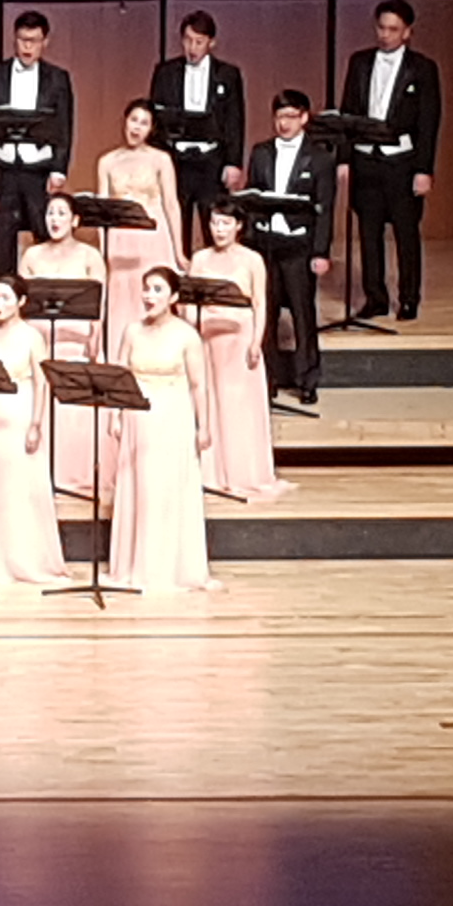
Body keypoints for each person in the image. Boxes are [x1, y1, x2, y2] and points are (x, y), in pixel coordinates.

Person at [101, 266, 218, 594]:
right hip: (137, 418)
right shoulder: (132, 332)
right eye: (146, 289)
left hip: (172, 418)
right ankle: (134, 566)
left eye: (157, 290)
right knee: (139, 488)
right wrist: (114, 415)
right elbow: (119, 376)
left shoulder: (186, 335)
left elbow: (199, 384)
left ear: (174, 297)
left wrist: (204, 426)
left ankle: (166, 567)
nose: (149, 296)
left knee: (164, 488)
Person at [228, 91, 337, 410]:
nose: (283, 123)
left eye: (290, 116)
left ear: (303, 117)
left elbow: (325, 209)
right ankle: (267, 378)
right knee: (267, 312)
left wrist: (320, 252)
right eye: (279, 117)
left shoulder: (320, 158)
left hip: (299, 246)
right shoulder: (261, 152)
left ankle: (307, 379)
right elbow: (252, 199)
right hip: (266, 244)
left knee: (303, 314)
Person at [336, 0, 443, 323]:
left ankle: (409, 298)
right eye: (381, 28)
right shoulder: (360, 62)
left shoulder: (422, 68)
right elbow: (348, 112)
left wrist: (424, 169)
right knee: (369, 232)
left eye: (393, 29)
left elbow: (429, 122)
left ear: (407, 32)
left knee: (406, 232)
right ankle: (375, 297)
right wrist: (344, 158)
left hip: (402, 162)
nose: (385, 35)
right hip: (366, 158)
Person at [0, 278, 66, 583]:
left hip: (16, 416)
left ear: (21, 302)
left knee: (16, 488)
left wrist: (36, 424)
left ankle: (21, 558)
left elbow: (42, 383)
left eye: (6, 298)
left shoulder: (32, 337)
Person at [188, 204, 289, 503]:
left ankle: (243, 473)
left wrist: (256, 341)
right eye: (214, 223)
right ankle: (212, 473)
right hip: (208, 337)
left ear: (238, 226)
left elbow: (259, 303)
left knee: (239, 406)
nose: (219, 229)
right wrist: (192, 334)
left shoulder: (252, 259)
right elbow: (190, 301)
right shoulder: (200, 258)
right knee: (211, 402)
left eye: (225, 223)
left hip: (239, 337)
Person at [16, 194, 112, 494]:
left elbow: (99, 304)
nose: (54, 220)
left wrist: (95, 338)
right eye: (50, 213)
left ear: (75, 220)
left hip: (76, 338)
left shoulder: (90, 256)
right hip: (40, 337)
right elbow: (22, 302)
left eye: (61, 213)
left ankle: (73, 472)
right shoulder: (32, 255)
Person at [0, 9, 76, 275]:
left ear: (45, 42)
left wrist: (59, 169)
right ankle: (1, 291)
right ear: (14, 39)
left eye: (34, 41)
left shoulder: (58, 78)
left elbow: (64, 124)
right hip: (2, 167)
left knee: (43, 231)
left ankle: (43, 288)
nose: (28, 47)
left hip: (38, 168)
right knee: (2, 236)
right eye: (23, 40)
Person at [148, 10, 247, 253]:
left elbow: (234, 119)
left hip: (211, 161)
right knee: (175, 227)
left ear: (211, 42)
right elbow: (156, 119)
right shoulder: (165, 72)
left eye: (199, 42)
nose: (192, 48)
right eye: (188, 40)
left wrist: (233, 162)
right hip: (176, 160)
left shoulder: (227, 74)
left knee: (213, 225)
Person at [90, 100, 189, 331]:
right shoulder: (107, 161)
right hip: (120, 237)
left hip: (153, 234)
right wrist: (103, 250)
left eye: (144, 123)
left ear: (151, 129)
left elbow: (171, 204)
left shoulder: (161, 159)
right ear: (125, 121)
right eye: (133, 120)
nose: (136, 127)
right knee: (120, 295)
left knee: (153, 291)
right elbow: (102, 210)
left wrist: (179, 251)